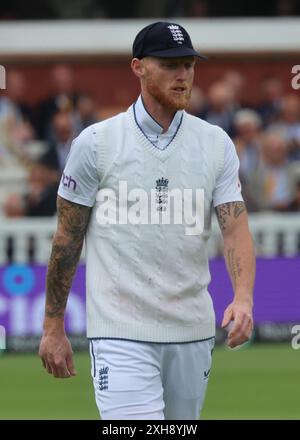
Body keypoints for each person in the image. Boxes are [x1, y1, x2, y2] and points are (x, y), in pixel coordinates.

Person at [38, 21, 255, 420]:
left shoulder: (215, 143)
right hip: (118, 331)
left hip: (193, 330)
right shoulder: (96, 144)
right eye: (171, 64)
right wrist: (53, 327)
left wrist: (243, 298)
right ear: (138, 67)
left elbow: (234, 226)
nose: (183, 75)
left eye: (189, 64)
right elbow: (67, 239)